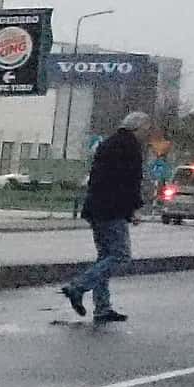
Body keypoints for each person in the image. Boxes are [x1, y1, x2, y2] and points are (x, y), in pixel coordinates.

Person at [64, 108, 150, 323]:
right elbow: (130, 182)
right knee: (120, 255)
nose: (147, 134)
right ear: (137, 127)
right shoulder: (130, 147)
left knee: (104, 257)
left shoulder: (107, 143)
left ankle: (102, 307)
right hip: (112, 210)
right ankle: (78, 286)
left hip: (95, 208)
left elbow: (100, 178)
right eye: (146, 129)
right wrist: (134, 209)